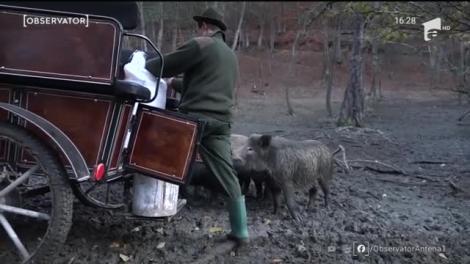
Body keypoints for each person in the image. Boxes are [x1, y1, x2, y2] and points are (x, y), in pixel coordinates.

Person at [145, 7, 249, 246]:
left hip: (196, 119)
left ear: (203, 26)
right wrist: (174, 83)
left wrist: (150, 69)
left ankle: (153, 202)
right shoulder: (229, 55)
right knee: (226, 173)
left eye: (198, 27)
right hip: (221, 123)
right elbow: (204, 85)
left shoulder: (201, 44)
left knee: (151, 148)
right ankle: (241, 230)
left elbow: (160, 66)